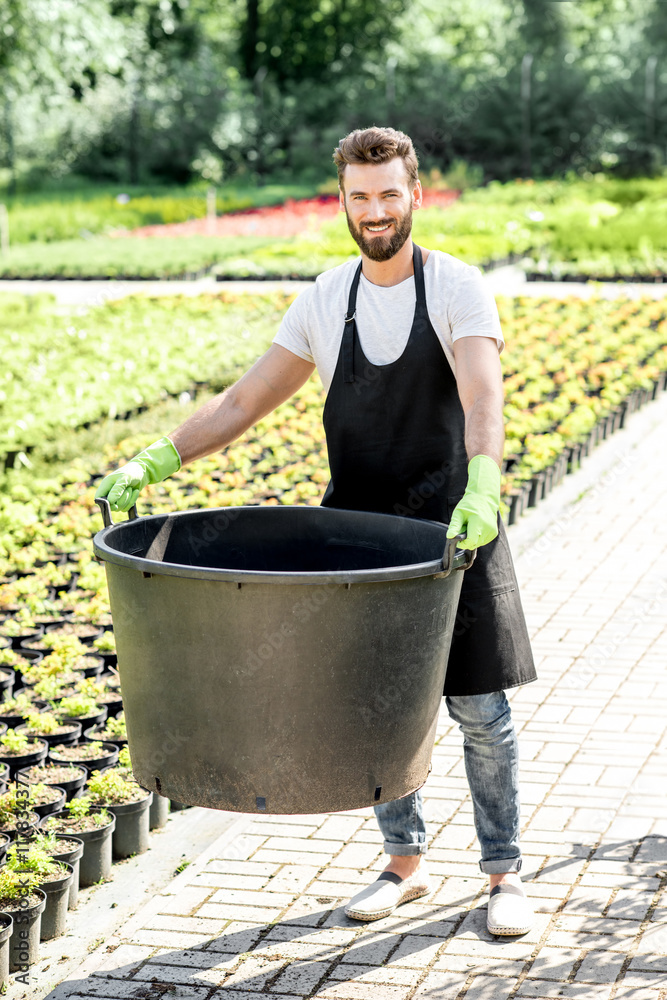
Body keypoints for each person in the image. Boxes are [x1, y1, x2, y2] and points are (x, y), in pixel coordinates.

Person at [96, 126, 537, 937]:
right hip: (361, 546)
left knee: (480, 711)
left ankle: (503, 873)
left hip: (452, 534)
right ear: (342, 200)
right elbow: (241, 402)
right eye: (359, 196)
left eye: (389, 194)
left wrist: (481, 484)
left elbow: (482, 396)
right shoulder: (325, 299)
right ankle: (403, 865)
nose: (375, 211)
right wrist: (158, 458)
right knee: (381, 709)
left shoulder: (456, 289)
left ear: (414, 193)